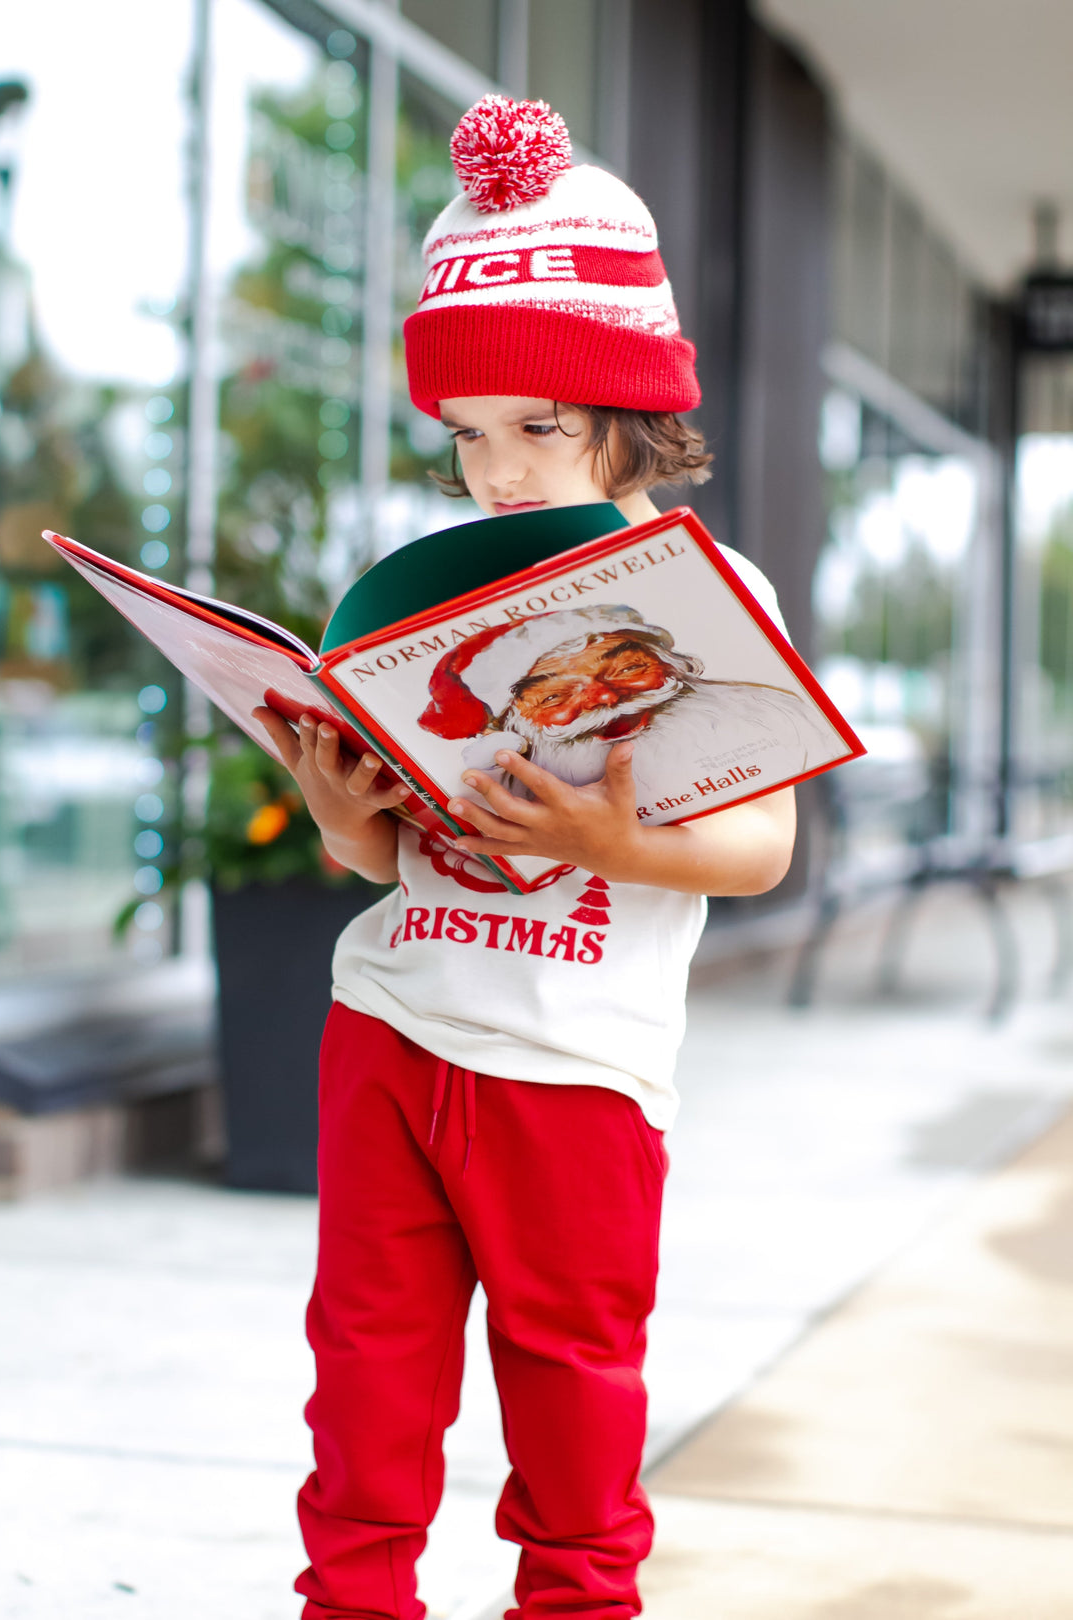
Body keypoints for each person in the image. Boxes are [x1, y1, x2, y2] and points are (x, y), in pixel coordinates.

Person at [254, 94, 798, 1620]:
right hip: (391, 1027)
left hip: (576, 1063)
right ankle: (349, 1602)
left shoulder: (711, 588)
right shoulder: (431, 591)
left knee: (570, 1391)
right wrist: (340, 804)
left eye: (537, 430)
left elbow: (760, 848)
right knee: (362, 1380)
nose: (497, 471)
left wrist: (612, 837)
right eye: (467, 437)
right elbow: (380, 865)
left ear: (629, 412)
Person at [417, 602, 832, 800]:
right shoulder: (496, 787)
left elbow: (766, 860)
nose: (604, 697)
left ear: (673, 664)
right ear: (515, 726)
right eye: (556, 696)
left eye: (627, 668)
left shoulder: (768, 718)